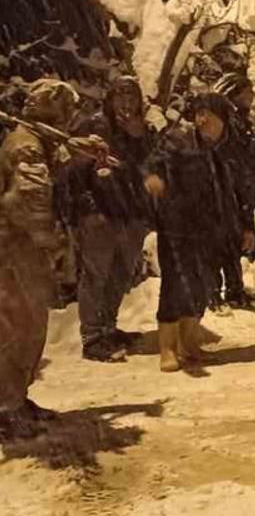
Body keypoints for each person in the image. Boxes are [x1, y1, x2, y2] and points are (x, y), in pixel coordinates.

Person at [143, 93, 252, 372]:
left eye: (208, 115)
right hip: (178, 226)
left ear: (222, 119)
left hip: (214, 227)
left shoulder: (230, 147)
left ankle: (189, 344)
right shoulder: (178, 139)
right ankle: (167, 349)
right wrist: (154, 178)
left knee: (203, 285)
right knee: (175, 285)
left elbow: (242, 188)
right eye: (199, 113)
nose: (202, 120)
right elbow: (153, 163)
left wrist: (246, 225)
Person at [0, 79, 80, 438]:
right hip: (15, 249)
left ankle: (16, 397)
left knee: (29, 325)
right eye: (67, 108)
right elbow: (29, 199)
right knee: (18, 326)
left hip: (23, 248)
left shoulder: (36, 141)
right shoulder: (26, 146)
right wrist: (52, 242)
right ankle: (5, 408)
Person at [59, 76, 154, 362]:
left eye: (132, 96)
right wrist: (89, 210)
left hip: (131, 214)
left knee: (120, 274)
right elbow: (74, 174)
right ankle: (92, 337)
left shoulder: (143, 130)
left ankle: (108, 327)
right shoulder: (93, 127)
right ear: (110, 99)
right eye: (120, 96)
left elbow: (149, 168)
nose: (127, 102)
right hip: (100, 214)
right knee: (96, 276)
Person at [210, 73, 255, 308]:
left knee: (233, 240)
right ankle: (212, 293)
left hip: (237, 186)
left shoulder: (241, 122)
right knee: (217, 242)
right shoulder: (221, 121)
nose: (251, 97)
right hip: (219, 188)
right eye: (246, 93)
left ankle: (234, 289)